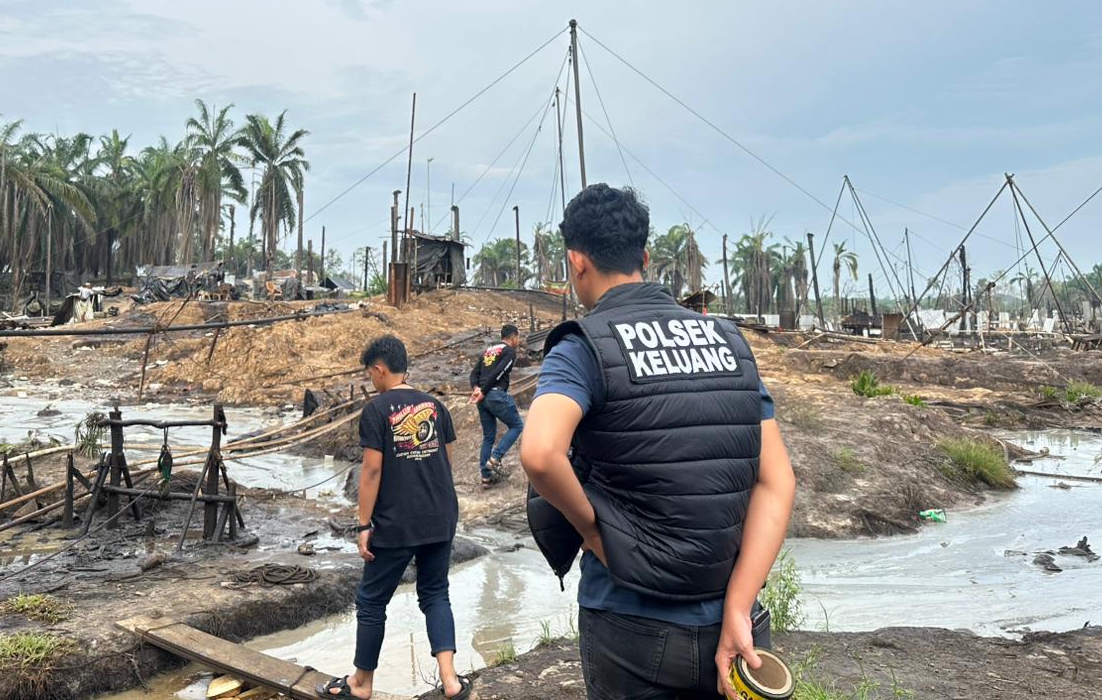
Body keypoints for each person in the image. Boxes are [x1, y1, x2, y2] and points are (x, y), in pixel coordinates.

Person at [520, 184, 795, 700]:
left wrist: (594, 532)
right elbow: (776, 481)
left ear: (577, 262)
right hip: (734, 621)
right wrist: (738, 605)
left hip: (631, 624)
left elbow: (539, 453)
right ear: (645, 257)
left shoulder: (583, 345)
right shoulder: (729, 341)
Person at [318, 335, 471, 700]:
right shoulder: (435, 406)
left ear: (379, 369)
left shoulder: (377, 410)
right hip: (440, 515)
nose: (372, 380)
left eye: (370, 374)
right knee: (435, 593)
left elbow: (371, 472)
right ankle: (451, 681)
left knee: (371, 600)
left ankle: (361, 683)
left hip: (397, 520)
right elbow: (446, 459)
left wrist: (363, 524)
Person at [469, 323, 525, 487]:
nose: (519, 341)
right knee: (517, 425)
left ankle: (486, 478)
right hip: (494, 394)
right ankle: (495, 458)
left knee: (488, 436)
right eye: (518, 338)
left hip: (482, 398)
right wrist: (485, 391)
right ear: (514, 337)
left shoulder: (488, 351)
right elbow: (499, 372)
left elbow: (474, 374)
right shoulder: (509, 352)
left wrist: (477, 389)